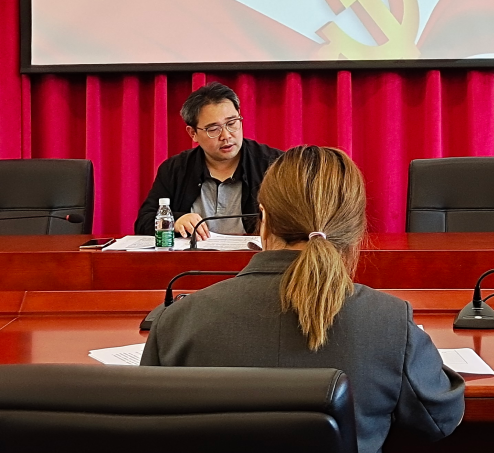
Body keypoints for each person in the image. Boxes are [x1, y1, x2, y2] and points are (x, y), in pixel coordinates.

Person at [141, 145, 464, 453]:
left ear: (264, 220)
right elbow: (440, 420)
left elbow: (149, 432)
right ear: (356, 228)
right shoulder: (390, 323)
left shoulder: (178, 322)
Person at [135, 82, 282, 238]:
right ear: (193, 133)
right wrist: (175, 221)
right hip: (194, 253)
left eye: (231, 123)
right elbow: (144, 221)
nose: (226, 135)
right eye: (213, 129)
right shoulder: (175, 169)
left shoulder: (275, 165)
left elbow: (296, 221)